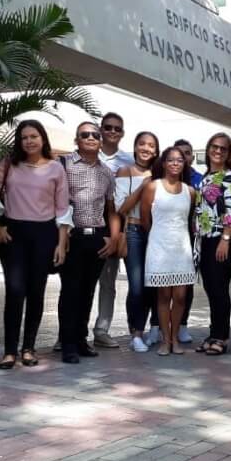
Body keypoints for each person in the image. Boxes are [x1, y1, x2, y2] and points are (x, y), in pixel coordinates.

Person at [0, 120, 71, 369]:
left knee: (36, 292)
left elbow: (62, 209)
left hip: (44, 234)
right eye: (24, 137)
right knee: (15, 291)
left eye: (33, 136)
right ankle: (9, 351)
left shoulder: (56, 168)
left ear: (42, 138)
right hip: (13, 233)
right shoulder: (8, 165)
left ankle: (28, 348)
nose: (29, 141)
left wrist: (61, 243)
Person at [58, 122, 121, 364]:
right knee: (71, 290)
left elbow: (110, 208)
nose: (91, 138)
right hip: (71, 236)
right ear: (77, 139)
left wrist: (112, 237)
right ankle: (67, 344)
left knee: (87, 291)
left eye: (95, 134)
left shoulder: (106, 172)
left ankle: (81, 339)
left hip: (96, 238)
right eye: (85, 134)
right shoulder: (62, 165)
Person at [141, 146, 195, 355]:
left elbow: (188, 220)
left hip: (181, 248)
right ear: (163, 163)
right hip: (159, 246)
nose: (175, 163)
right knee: (163, 295)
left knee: (180, 296)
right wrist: (157, 236)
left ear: (184, 164)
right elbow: (146, 219)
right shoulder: (153, 187)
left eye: (179, 160)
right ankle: (165, 340)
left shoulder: (190, 191)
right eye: (171, 160)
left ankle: (175, 338)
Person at [195, 132, 231, 355]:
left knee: (219, 289)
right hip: (205, 240)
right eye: (214, 146)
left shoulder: (229, 177)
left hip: (220, 240)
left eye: (223, 148)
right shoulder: (206, 177)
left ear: (228, 153)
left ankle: (221, 337)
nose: (218, 151)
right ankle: (214, 332)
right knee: (211, 289)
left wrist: (226, 239)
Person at [93, 112, 134, 349]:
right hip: (83, 226)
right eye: (108, 127)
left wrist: (120, 233)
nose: (112, 132)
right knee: (78, 283)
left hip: (113, 226)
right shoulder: (85, 154)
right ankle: (68, 332)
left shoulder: (128, 161)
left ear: (122, 133)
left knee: (108, 282)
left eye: (117, 129)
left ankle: (101, 329)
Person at [115, 131, 159, 352]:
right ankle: (135, 333)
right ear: (135, 147)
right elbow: (121, 208)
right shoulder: (125, 172)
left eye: (151, 145)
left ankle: (154, 327)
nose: (146, 149)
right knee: (136, 286)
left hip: (156, 233)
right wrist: (144, 186)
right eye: (142, 144)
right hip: (133, 230)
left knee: (155, 284)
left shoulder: (161, 173)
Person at [174, 138, 201, 344]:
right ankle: (158, 325)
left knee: (187, 284)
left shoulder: (200, 180)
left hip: (192, 238)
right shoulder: (166, 178)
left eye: (188, 152)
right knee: (162, 284)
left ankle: (182, 325)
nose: (184, 156)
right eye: (180, 153)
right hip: (167, 237)